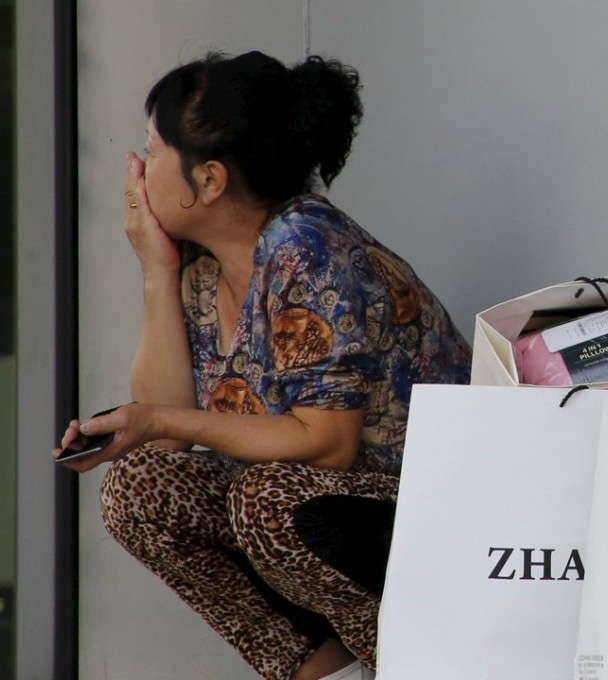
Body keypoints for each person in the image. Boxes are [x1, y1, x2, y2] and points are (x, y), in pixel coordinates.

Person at [53, 50, 472, 680]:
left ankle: (408, 663)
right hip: (338, 509)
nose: (136, 171)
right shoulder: (203, 272)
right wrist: (156, 270)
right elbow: (167, 436)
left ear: (210, 180)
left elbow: (325, 445)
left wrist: (156, 418)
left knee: (268, 499)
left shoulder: (306, 245)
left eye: (153, 150)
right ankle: (314, 669)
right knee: (138, 488)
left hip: (441, 507)